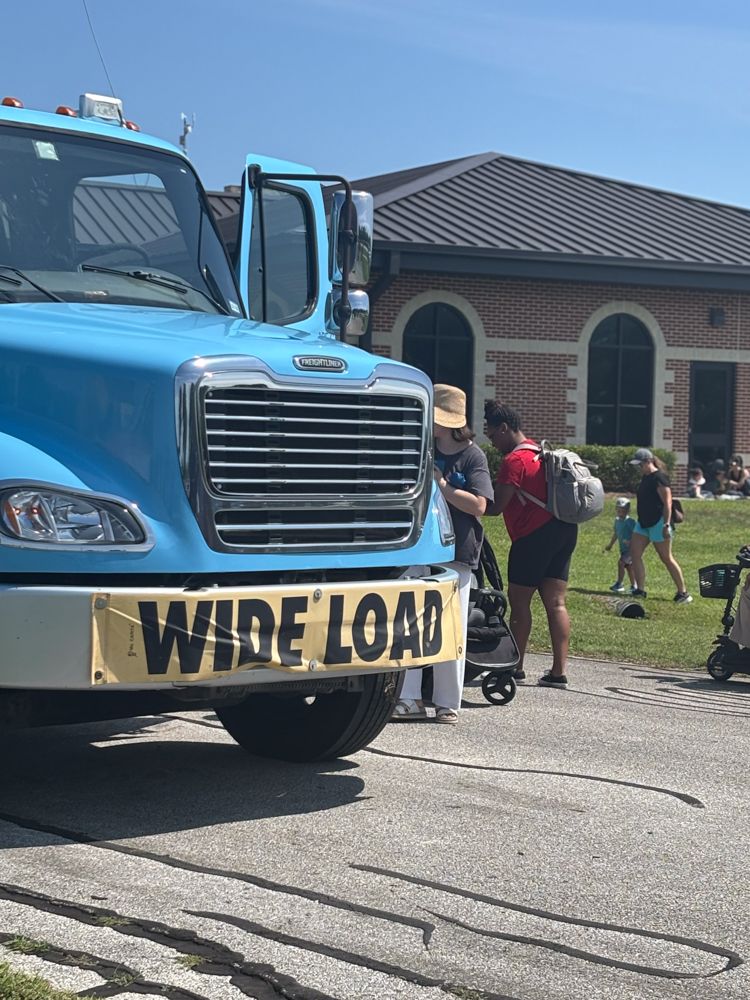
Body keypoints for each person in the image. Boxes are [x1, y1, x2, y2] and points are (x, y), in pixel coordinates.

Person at [392, 384, 494, 724]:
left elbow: (480, 505)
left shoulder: (473, 456)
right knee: (409, 624)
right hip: (418, 546)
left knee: (451, 629)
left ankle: (448, 702)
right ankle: (408, 698)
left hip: (457, 551)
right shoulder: (422, 448)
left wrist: (444, 485)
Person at [484, 400, 577, 688]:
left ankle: (515, 666)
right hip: (564, 530)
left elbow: (497, 506)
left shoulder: (514, 460)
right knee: (556, 602)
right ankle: (558, 671)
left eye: (492, 434)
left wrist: (466, 500)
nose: (492, 441)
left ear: (504, 428)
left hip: (532, 536)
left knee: (520, 602)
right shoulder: (540, 452)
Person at [628, 448, 692, 604]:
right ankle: (640, 590)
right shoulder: (645, 477)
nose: (639, 468)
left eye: (640, 464)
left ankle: (683, 593)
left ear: (648, 461)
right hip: (643, 523)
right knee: (634, 553)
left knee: (666, 558)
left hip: (658, 522)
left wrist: (666, 524)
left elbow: (667, 503)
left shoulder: (660, 478)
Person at [604, 497, 636, 592]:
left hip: (631, 549)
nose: (620, 512)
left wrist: (631, 541)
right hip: (623, 549)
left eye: (623, 510)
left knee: (621, 563)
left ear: (628, 511)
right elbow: (616, 534)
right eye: (618, 510)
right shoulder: (617, 521)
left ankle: (619, 584)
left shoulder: (630, 522)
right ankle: (634, 585)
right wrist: (610, 545)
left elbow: (636, 534)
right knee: (629, 567)